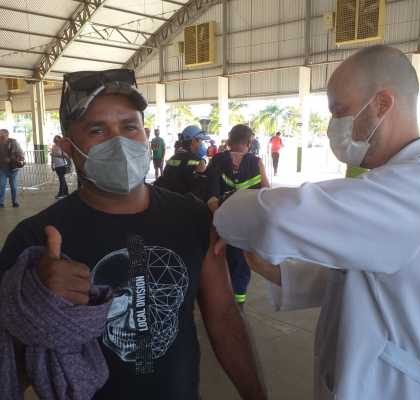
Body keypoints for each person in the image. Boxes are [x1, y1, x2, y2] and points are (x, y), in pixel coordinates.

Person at [0, 69, 266, 400]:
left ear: (145, 134)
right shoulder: (34, 241)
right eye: (97, 130)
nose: (119, 142)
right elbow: (12, 366)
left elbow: (224, 317)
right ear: (68, 147)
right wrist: (37, 305)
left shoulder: (193, 217)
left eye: (129, 126)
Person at [214, 45, 420, 399]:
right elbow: (372, 278)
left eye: (340, 112)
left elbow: (275, 216)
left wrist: (220, 213)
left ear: (382, 104)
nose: (333, 128)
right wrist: (280, 273)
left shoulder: (415, 192)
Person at [206, 125, 269, 308]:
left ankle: (218, 302)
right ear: (249, 142)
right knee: (241, 264)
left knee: (218, 263)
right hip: (245, 225)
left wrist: (223, 222)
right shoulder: (256, 162)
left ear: (229, 141)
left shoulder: (217, 160)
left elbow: (211, 197)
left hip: (219, 223)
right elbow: (266, 194)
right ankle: (238, 305)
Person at [155, 125, 209, 201]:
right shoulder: (198, 162)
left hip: (168, 201)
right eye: (200, 141)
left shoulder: (172, 158)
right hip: (184, 204)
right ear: (193, 141)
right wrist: (201, 174)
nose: (201, 144)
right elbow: (199, 193)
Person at [0, 129, 24, 208]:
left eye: (2, 135)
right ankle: (1, 202)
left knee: (13, 186)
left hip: (13, 168)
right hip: (2, 168)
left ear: (7, 135)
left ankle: (14, 201)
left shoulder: (13, 142)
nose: (1, 137)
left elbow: (21, 154)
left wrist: (10, 159)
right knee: (2, 185)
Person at [50, 135, 70, 199]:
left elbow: (67, 156)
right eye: (55, 139)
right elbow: (52, 157)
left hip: (62, 165)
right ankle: (66, 192)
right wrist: (52, 165)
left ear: (60, 140)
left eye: (57, 139)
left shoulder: (62, 147)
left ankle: (61, 193)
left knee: (62, 180)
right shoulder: (53, 147)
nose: (56, 140)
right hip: (56, 165)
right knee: (62, 179)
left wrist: (57, 155)